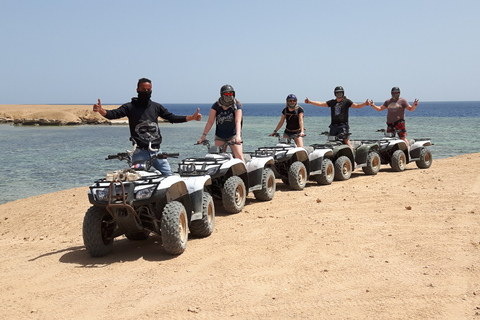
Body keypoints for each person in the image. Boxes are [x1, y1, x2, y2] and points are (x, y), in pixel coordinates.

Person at [93, 77, 202, 175]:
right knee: (137, 182)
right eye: (143, 89)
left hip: (156, 152)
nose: (146, 92)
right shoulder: (130, 107)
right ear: (137, 90)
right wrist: (101, 111)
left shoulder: (156, 107)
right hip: (140, 153)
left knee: (169, 177)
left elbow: (172, 118)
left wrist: (191, 117)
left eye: (149, 90)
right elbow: (113, 114)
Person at [304, 86, 370, 150]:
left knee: (346, 142)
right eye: (337, 93)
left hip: (343, 126)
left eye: (340, 93)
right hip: (333, 126)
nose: (339, 94)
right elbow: (320, 103)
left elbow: (356, 106)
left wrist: (365, 104)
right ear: (335, 94)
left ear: (343, 93)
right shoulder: (332, 102)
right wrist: (310, 102)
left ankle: (353, 160)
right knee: (331, 142)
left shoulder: (347, 101)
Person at [197, 84, 245, 162]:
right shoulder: (216, 106)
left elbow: (238, 121)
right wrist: (203, 136)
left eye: (230, 94)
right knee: (218, 158)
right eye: (226, 94)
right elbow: (210, 122)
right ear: (222, 94)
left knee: (239, 156)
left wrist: (238, 136)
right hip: (220, 135)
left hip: (233, 135)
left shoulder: (236, 106)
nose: (229, 96)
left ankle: (245, 173)